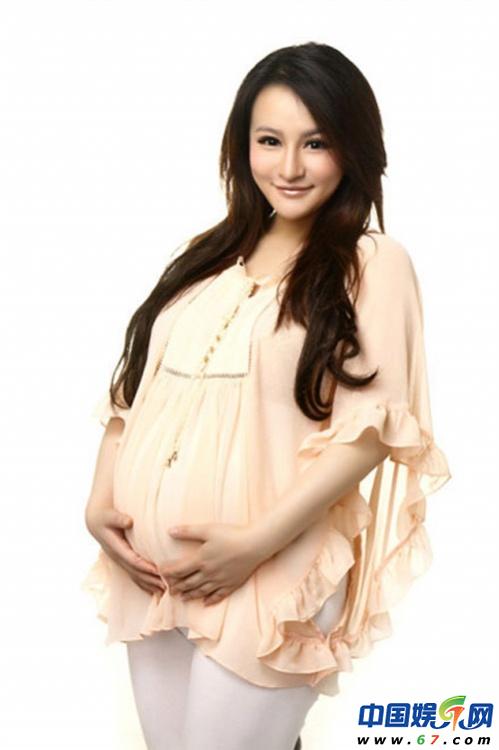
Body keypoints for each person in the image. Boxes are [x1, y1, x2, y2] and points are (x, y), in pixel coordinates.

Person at [81, 41, 451, 750]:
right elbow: (132, 395)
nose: (289, 167)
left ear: (352, 148)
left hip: (270, 572)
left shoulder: (371, 262)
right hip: (152, 577)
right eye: (270, 141)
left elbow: (373, 431)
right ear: (241, 145)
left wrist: (252, 544)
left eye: (316, 142)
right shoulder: (204, 258)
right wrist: (100, 504)